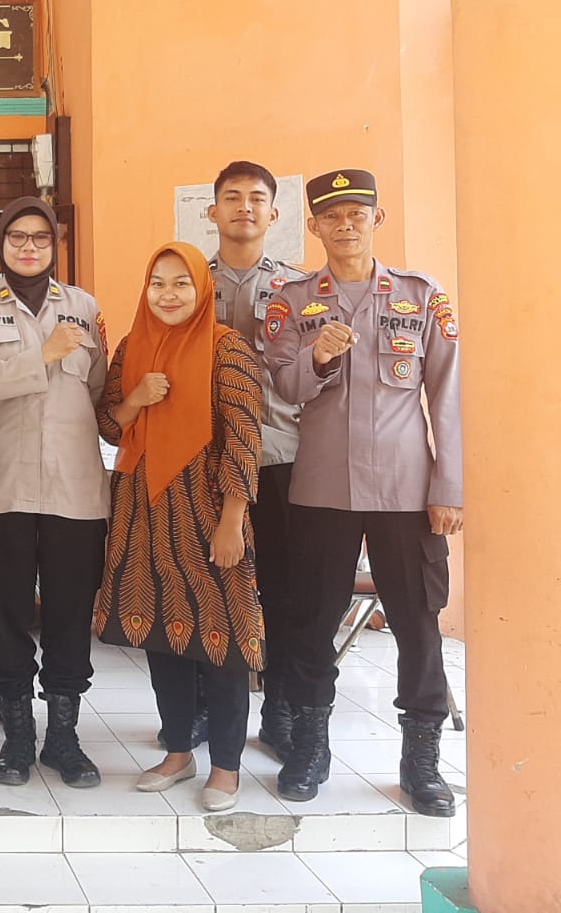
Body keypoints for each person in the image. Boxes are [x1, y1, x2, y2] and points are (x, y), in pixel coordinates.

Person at [264, 169, 462, 816]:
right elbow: (283, 386)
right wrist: (317, 357)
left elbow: (447, 395)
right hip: (322, 488)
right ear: (314, 225)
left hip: (406, 490)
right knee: (310, 621)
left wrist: (449, 486)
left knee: (418, 624)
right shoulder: (293, 299)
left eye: (356, 213)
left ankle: (422, 759)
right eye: (332, 215)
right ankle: (309, 746)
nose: (344, 224)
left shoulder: (420, 296)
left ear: (376, 220)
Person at [95, 242, 266, 812]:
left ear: (201, 288)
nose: (167, 295)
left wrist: (233, 520)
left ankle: (226, 767)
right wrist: (137, 398)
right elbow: (110, 424)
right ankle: (177, 752)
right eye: (158, 283)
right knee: (161, 635)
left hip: (206, 512)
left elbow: (244, 438)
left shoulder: (227, 348)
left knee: (222, 640)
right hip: (142, 512)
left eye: (180, 283)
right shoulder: (131, 347)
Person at [0, 197, 110, 788]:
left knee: (69, 614)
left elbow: (97, 388)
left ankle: (64, 737)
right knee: (9, 615)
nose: (29, 247)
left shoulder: (84, 308)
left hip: (74, 488)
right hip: (1, 489)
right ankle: (17, 735)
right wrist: (39, 358)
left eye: (40, 237)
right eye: (17, 237)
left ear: (54, 245)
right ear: (2, 244)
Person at [205, 161, 307, 761]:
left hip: (282, 454)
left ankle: (281, 708)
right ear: (212, 211)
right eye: (232, 197)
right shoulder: (190, 283)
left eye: (257, 198)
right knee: (209, 584)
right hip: (209, 460)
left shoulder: (299, 289)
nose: (244, 206)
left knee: (285, 589)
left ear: (274, 212)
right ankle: (204, 704)